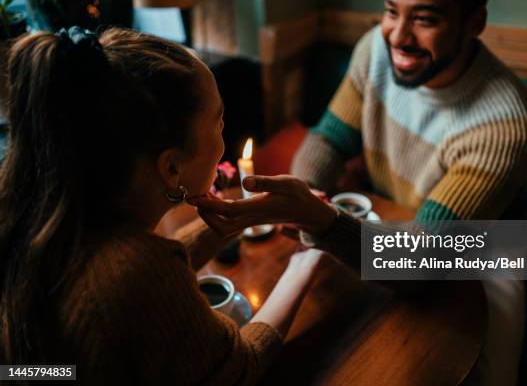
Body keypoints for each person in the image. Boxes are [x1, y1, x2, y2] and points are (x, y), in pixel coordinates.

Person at [194, 0, 527, 385]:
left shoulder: (507, 125)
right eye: (392, 11)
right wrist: (299, 193)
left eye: (425, 19)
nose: (397, 35)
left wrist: (323, 221)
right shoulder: (374, 50)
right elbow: (329, 137)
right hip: (377, 230)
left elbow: (421, 264)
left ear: (474, 23)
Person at [0, 27, 332, 385]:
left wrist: (244, 214)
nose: (224, 134)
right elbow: (239, 368)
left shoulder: (52, 217)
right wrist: (305, 262)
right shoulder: (140, 269)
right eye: (218, 122)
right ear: (172, 168)